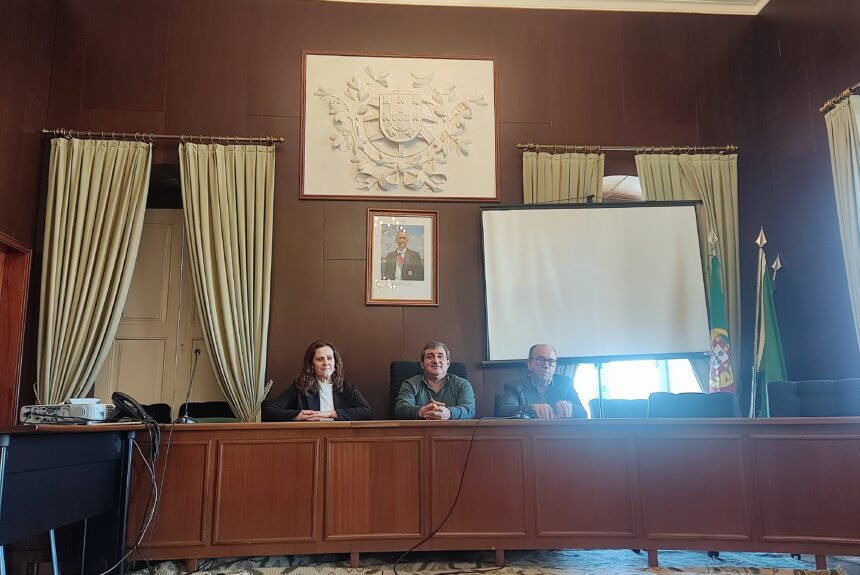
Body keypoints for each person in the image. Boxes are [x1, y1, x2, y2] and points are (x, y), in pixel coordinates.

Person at [261, 340, 372, 421]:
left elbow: (367, 412)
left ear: (335, 362)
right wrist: (298, 415)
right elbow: (269, 411)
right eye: (319, 359)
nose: (326, 363)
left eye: (329, 358)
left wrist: (332, 414)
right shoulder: (300, 387)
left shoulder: (347, 388)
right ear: (311, 365)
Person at [495, 344, 587, 419]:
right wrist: (531, 409)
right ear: (529, 364)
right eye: (540, 360)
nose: (546, 365)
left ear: (555, 365)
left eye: (551, 361)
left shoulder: (565, 383)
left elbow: (583, 414)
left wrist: (571, 407)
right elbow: (503, 411)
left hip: (559, 433)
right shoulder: (515, 386)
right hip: (529, 434)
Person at [395, 341, 475, 420]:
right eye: (430, 357)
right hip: (420, 428)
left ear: (448, 363)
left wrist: (449, 413)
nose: (436, 361)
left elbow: (470, 410)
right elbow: (400, 409)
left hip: (453, 429)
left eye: (440, 356)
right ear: (422, 364)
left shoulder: (462, 384)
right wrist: (422, 411)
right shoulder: (410, 384)